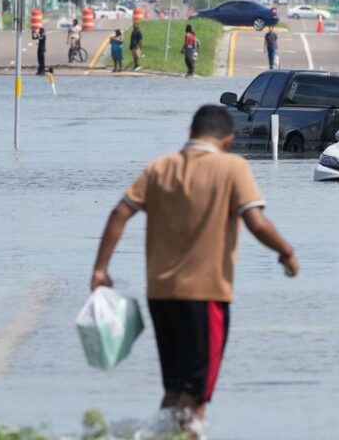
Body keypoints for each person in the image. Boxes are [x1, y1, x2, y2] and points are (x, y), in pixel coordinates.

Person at [89, 105, 299, 435]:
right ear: (228, 141)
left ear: (189, 132)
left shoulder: (159, 167)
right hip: (206, 296)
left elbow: (119, 213)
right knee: (196, 397)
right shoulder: (233, 167)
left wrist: (100, 270)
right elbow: (256, 223)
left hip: (160, 296)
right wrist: (286, 252)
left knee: (174, 391)